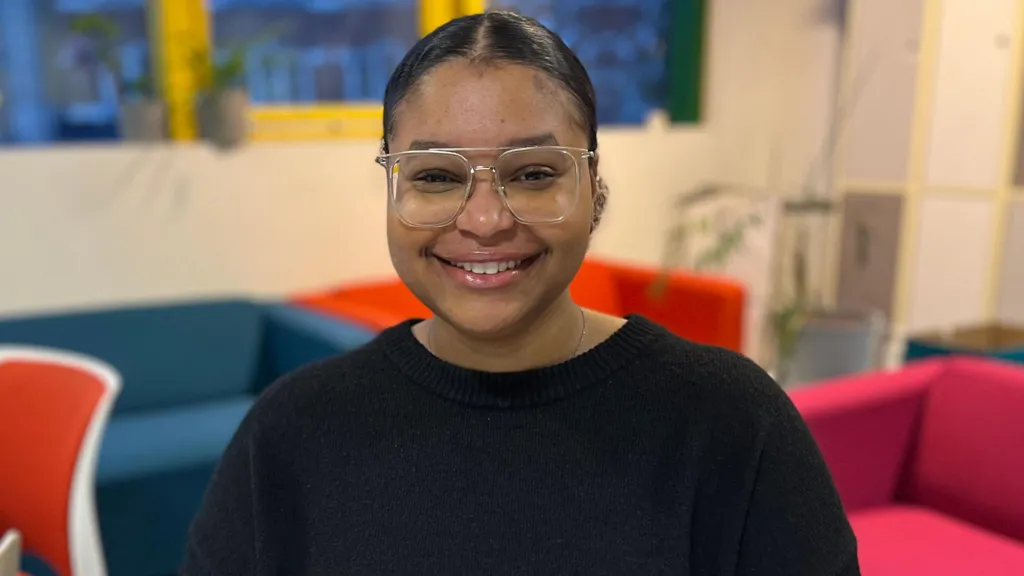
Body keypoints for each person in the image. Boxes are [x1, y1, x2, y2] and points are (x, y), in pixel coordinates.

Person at [181, 11, 858, 576]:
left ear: (595, 194)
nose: (484, 220)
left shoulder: (730, 424)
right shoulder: (295, 431)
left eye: (534, 173)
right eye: (437, 177)